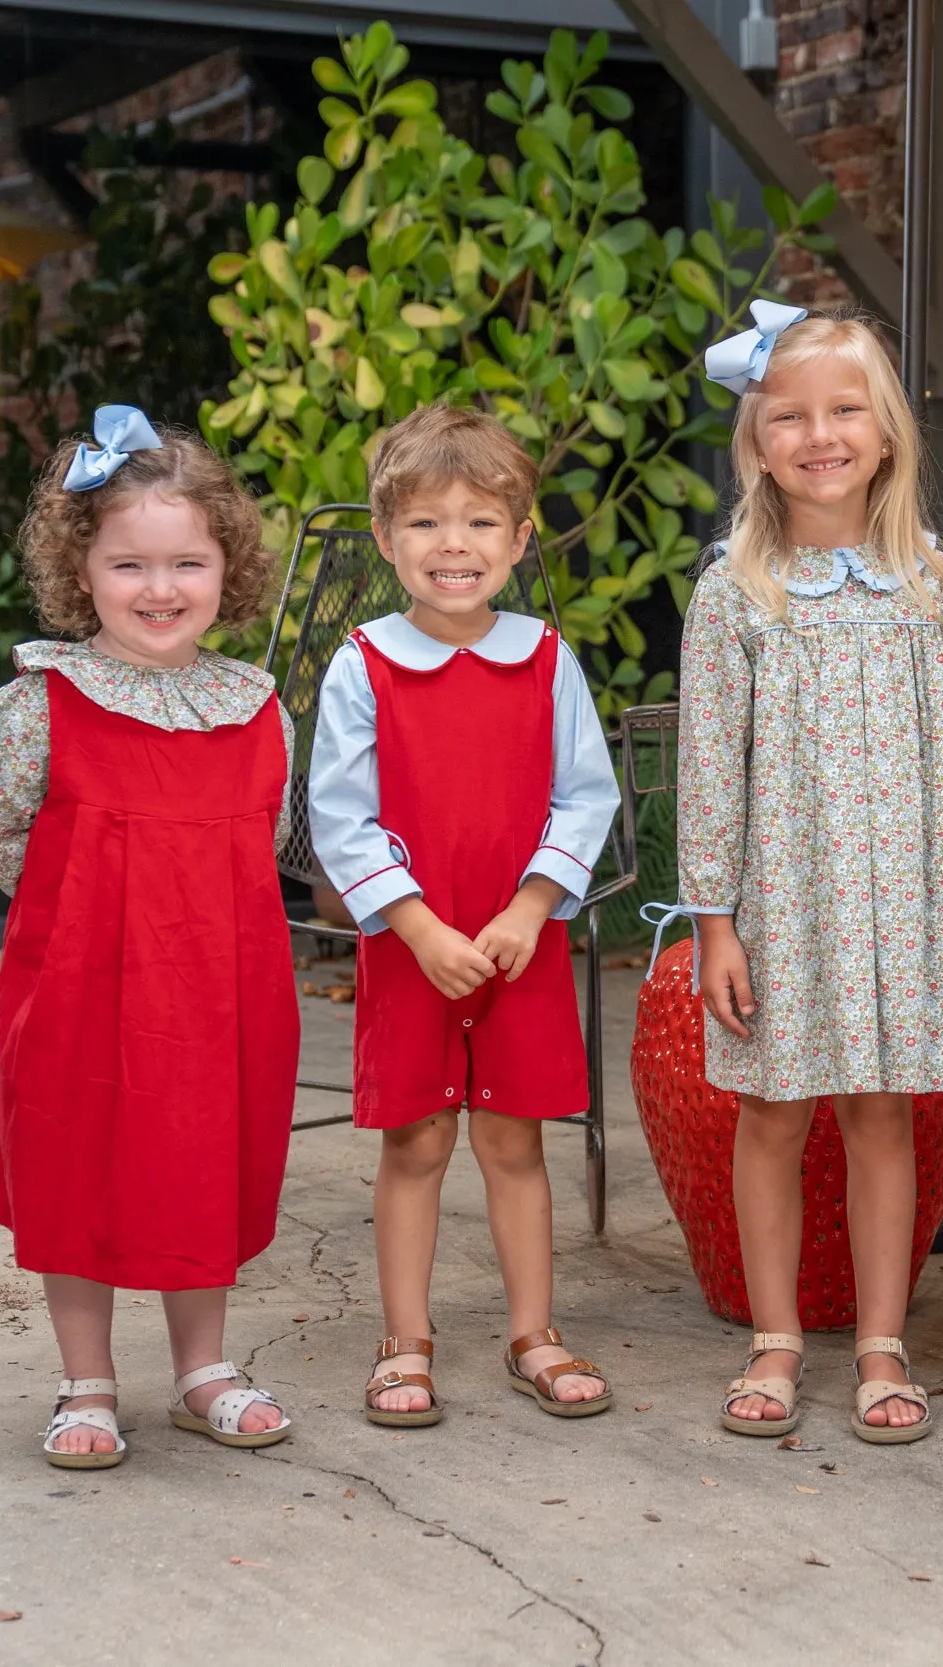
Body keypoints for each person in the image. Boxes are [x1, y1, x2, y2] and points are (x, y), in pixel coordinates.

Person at [0, 405, 300, 1468]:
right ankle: (85, 1380)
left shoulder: (257, 708)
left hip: (220, 991)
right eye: (129, 563)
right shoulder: (42, 703)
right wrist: (83, 899)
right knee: (78, 1166)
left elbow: (268, 834)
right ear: (80, 570)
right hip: (86, 985)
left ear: (225, 568)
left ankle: (202, 1370)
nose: (159, 588)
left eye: (186, 562)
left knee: (204, 1158)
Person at [676, 303, 943, 1445]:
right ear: (757, 442)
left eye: (844, 409)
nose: (820, 434)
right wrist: (715, 921)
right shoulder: (736, 592)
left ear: (886, 431)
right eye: (790, 415)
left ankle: (880, 1337)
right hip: (782, 901)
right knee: (769, 1111)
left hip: (901, 902)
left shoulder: (929, 588)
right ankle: (773, 1334)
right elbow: (712, 764)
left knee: (881, 1115)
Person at [308, 403, 621, 1427]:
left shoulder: (545, 658)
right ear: (388, 538)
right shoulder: (363, 660)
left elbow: (586, 794)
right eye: (428, 524)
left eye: (481, 523)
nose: (455, 546)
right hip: (416, 947)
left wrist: (533, 906)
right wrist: (416, 926)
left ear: (520, 537)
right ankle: (406, 1338)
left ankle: (533, 1328)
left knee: (515, 1139)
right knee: (417, 1139)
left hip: (518, 941)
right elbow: (340, 815)